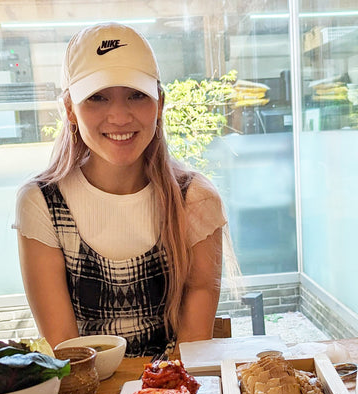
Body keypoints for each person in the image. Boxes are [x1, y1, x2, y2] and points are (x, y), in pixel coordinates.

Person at [14, 22, 229, 358]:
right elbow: (68, 354)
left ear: (160, 102)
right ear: (70, 108)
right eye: (97, 98)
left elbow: (192, 352)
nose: (118, 116)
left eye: (136, 95)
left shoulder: (195, 199)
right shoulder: (40, 203)